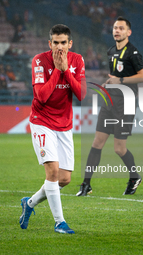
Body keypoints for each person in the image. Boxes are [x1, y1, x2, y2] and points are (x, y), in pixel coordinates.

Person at [19, 24, 86, 234]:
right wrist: (57, 70)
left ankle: (29, 204)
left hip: (64, 124)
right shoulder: (39, 60)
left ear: (70, 43)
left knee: (65, 179)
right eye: (55, 43)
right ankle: (59, 222)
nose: (59, 47)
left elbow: (82, 95)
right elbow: (42, 96)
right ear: (50, 43)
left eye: (63, 43)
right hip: (42, 121)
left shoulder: (77, 60)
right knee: (53, 172)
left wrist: (66, 70)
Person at [76, 16, 143, 196]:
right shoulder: (111, 51)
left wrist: (121, 80)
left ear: (128, 32)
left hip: (126, 103)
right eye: (115, 28)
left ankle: (134, 177)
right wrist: (111, 81)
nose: (117, 30)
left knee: (119, 148)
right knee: (97, 143)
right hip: (110, 101)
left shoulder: (133, 53)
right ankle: (86, 185)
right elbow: (116, 75)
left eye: (121, 28)